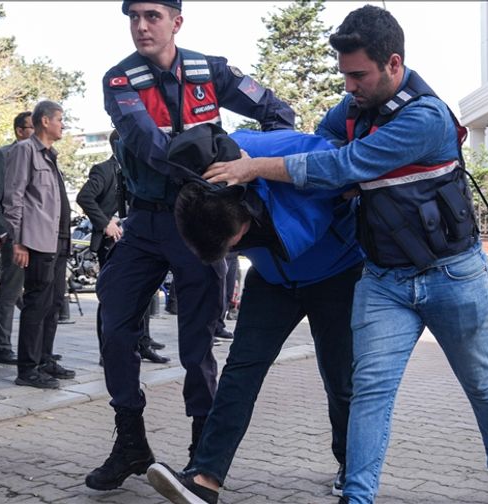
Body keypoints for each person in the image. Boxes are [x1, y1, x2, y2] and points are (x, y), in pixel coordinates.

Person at [202, 6, 488, 504]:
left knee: (480, 383)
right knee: (369, 391)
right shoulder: (353, 106)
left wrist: (258, 167)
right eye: (344, 75)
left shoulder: (425, 117)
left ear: (394, 64)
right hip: (383, 280)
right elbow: (324, 141)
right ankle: (357, 495)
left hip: (451, 276)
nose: (349, 86)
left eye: (358, 75)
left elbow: (348, 162)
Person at [85, 0, 295, 492]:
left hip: (198, 226)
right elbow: (149, 146)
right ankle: (131, 443)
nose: (141, 26)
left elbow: (277, 110)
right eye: (134, 17)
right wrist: (213, 156)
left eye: (152, 16)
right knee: (114, 325)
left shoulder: (211, 71)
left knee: (197, 344)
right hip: (145, 222)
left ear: (176, 22)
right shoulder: (120, 80)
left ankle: (202, 460)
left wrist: (255, 164)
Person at [146, 128, 363, 504]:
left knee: (339, 376)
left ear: (245, 204)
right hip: (274, 279)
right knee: (241, 371)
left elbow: (354, 170)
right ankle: (205, 479)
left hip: (336, 273)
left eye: (239, 241)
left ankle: (352, 466)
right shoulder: (199, 187)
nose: (240, 247)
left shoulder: (282, 151)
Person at [76, 130, 169, 365]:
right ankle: (107, 350)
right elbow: (84, 197)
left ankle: (142, 343)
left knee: (144, 292)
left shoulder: (137, 169)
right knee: (111, 295)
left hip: (138, 238)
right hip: (111, 241)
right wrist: (105, 222)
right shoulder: (105, 169)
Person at [4, 100, 76, 389]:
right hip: (35, 241)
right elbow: (14, 197)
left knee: (54, 302)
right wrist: (18, 241)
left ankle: (45, 359)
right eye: (60, 119)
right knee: (36, 303)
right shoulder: (24, 150)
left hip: (57, 240)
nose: (63, 125)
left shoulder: (51, 155)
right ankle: (27, 369)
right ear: (45, 121)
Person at [0, 111, 33, 365]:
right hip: (14, 236)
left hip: (38, 237)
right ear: (19, 130)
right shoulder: (3, 155)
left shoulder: (42, 156)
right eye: (31, 127)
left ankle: (36, 346)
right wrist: (4, 233)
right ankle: (2, 347)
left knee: (36, 295)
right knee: (10, 291)